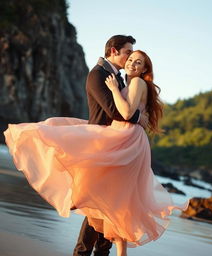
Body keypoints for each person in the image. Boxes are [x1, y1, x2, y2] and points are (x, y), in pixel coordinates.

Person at [4, 48, 189, 256]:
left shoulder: (135, 83)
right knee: (114, 198)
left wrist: (114, 91)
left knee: (111, 196)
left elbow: (126, 112)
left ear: (145, 68)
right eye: (130, 59)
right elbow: (130, 113)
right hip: (120, 135)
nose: (132, 64)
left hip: (126, 140)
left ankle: (81, 205)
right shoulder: (126, 82)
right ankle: (101, 236)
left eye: (138, 62)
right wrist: (134, 110)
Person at [73, 35, 148, 256]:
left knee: (110, 206)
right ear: (114, 51)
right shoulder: (98, 75)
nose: (129, 59)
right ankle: (81, 253)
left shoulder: (121, 78)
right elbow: (114, 111)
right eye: (127, 52)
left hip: (116, 146)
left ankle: (101, 253)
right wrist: (137, 118)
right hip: (100, 146)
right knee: (97, 206)